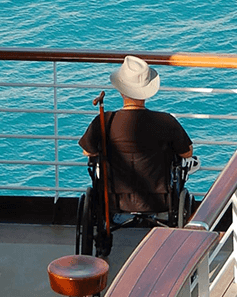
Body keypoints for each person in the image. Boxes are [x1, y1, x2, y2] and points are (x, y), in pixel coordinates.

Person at [79, 56, 193, 213]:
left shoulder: (105, 121)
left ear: (121, 91)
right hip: (159, 200)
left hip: (113, 200)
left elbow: (87, 151)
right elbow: (187, 152)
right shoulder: (166, 121)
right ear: (146, 92)